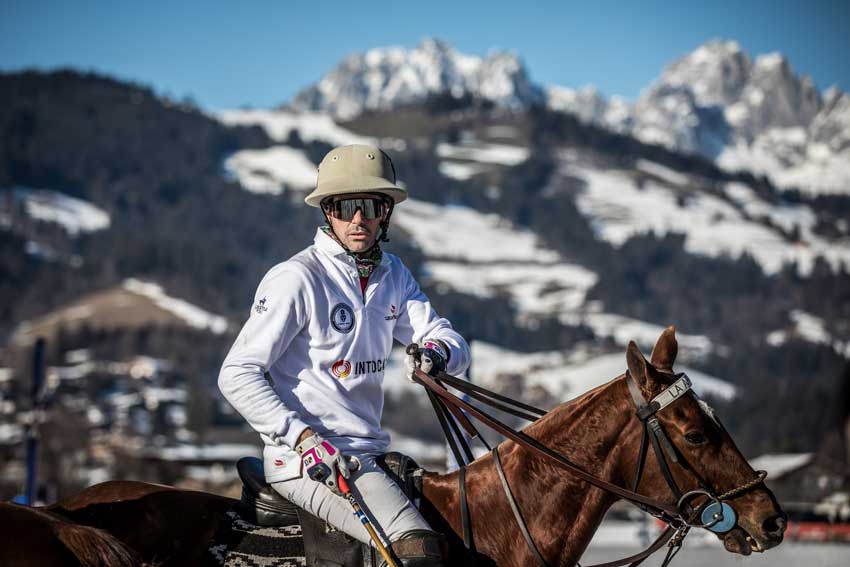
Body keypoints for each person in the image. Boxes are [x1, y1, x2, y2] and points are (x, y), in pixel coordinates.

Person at [219, 144, 470, 566]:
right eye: (346, 206)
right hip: (306, 461)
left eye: (370, 206)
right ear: (327, 212)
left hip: (366, 456)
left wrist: (435, 353)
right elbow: (237, 374)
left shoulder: (394, 275)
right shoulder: (297, 278)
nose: (358, 219)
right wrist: (304, 438)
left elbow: (447, 338)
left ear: (385, 213)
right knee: (420, 554)